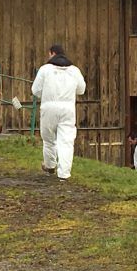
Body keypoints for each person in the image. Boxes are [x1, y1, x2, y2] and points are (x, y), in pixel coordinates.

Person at [31, 44, 86, 180]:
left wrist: (46, 93)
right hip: (68, 108)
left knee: (49, 139)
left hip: (49, 107)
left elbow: (35, 90)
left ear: (52, 54)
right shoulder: (74, 70)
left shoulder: (45, 69)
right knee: (66, 141)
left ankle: (50, 165)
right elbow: (81, 90)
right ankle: (64, 174)